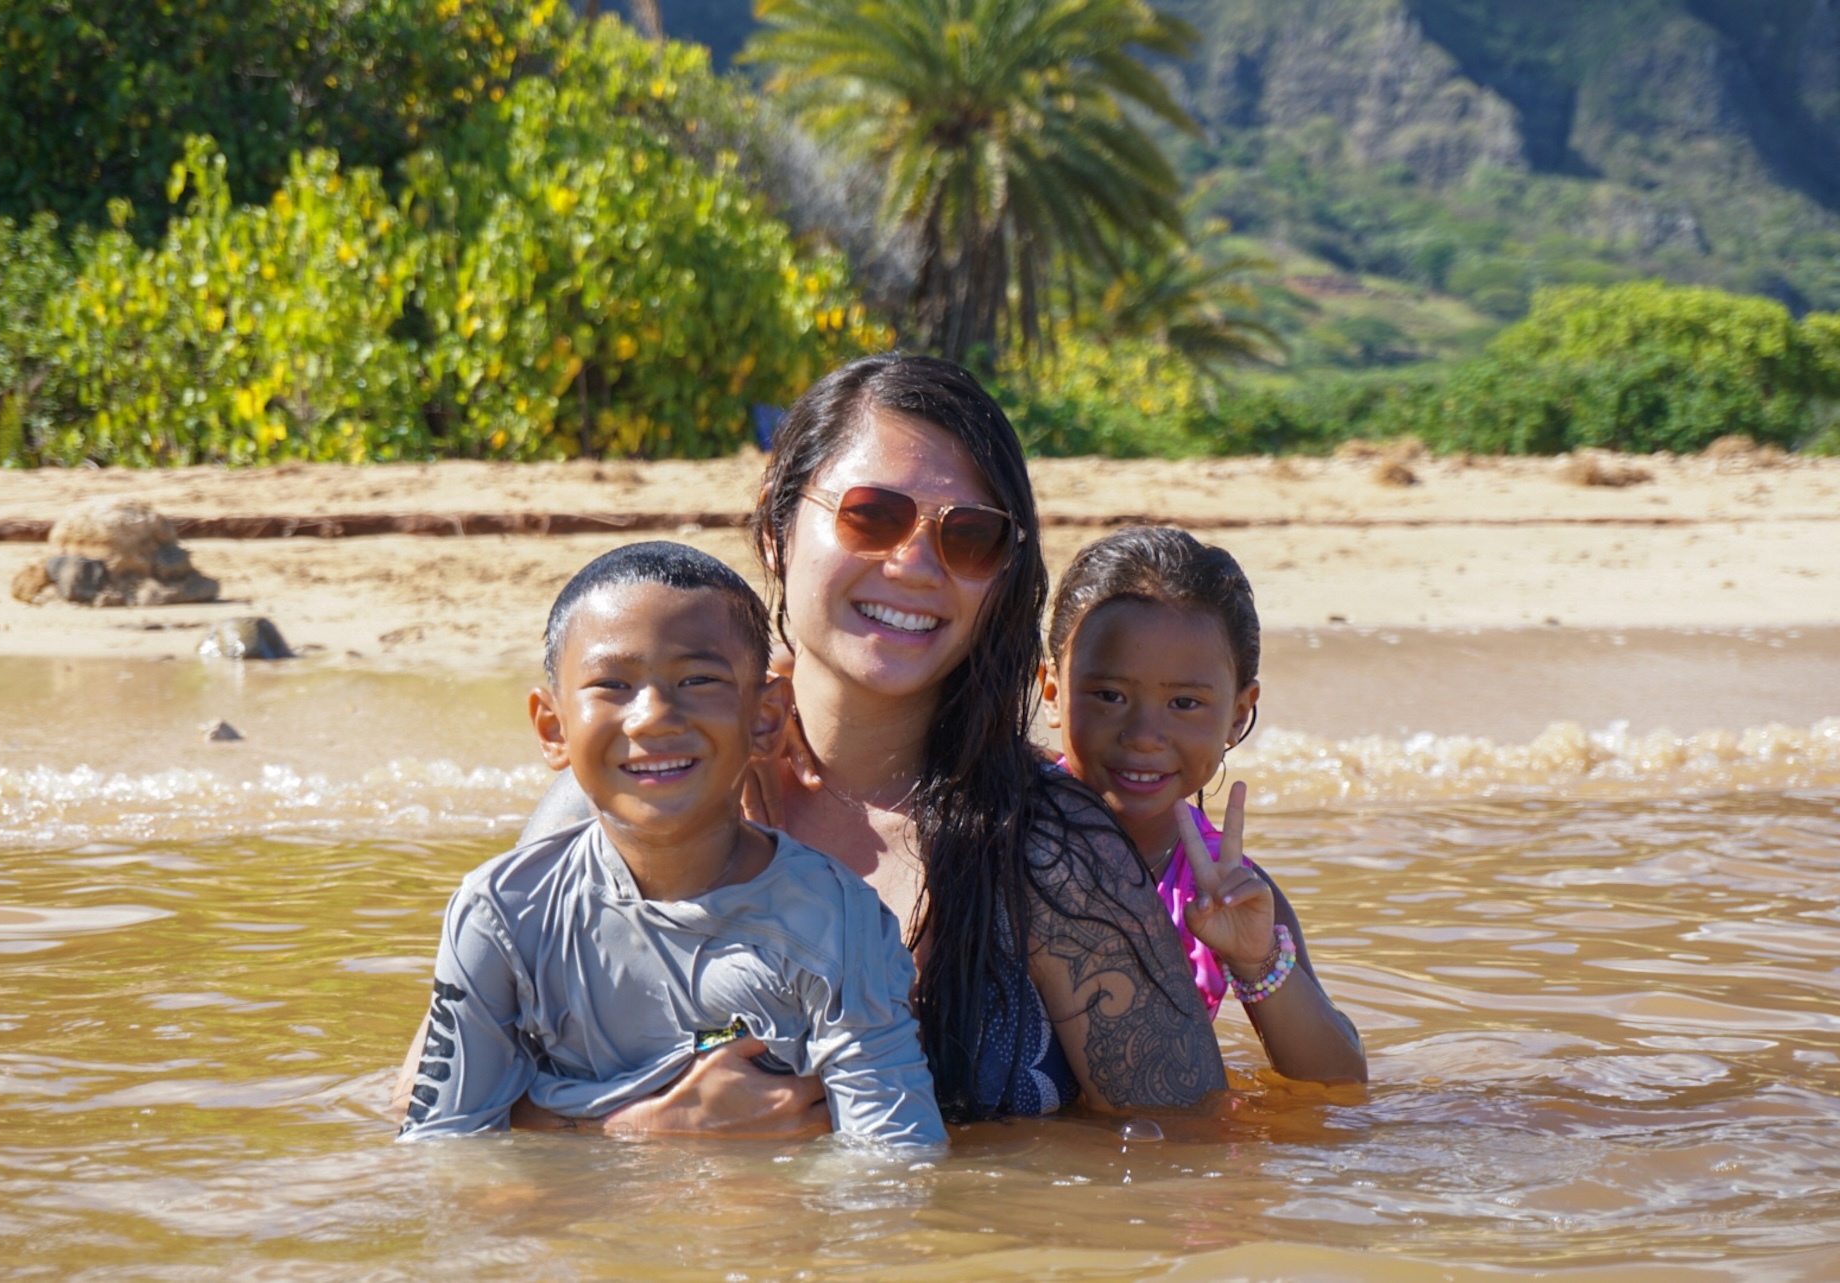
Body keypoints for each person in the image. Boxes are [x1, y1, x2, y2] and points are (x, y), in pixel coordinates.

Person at [501, 354, 1230, 1129]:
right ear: (778, 527)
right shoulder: (637, 778)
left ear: (1002, 579)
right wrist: (638, 1134)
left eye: (970, 537)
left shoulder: (1050, 852)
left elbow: (1189, 1148)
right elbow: (433, 1101)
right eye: (871, 515)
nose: (914, 564)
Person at [399, 541, 944, 1145]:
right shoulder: (502, 916)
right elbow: (444, 1155)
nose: (654, 716)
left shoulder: (838, 926)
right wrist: (652, 1132)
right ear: (552, 728)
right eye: (612, 684)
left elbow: (894, 1171)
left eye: (698, 679)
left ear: (765, 719)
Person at [1039, 527, 1366, 1083]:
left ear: (1239, 714)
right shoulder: (999, 822)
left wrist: (1255, 960)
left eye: (1185, 703)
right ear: (1052, 693)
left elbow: (1338, 1081)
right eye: (1109, 696)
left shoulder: (1225, 888)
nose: (1144, 734)